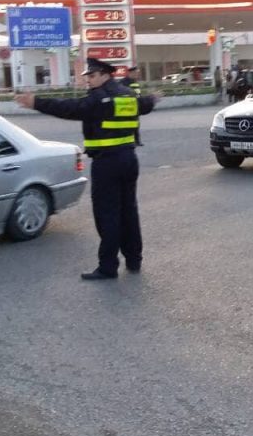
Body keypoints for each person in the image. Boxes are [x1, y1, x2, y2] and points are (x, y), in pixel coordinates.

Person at [15, 59, 160, 280]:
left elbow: (67, 108)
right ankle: (134, 260)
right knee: (129, 212)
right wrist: (153, 98)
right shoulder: (128, 95)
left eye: (91, 76)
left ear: (104, 75)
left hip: (107, 164)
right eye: (87, 77)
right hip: (129, 160)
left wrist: (36, 102)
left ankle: (108, 267)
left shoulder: (98, 99)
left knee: (107, 215)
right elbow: (145, 106)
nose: (88, 80)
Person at [120, 65, 144, 146]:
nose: (137, 75)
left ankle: (137, 141)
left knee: (136, 124)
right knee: (127, 125)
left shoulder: (135, 82)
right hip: (127, 107)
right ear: (131, 73)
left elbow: (138, 94)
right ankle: (129, 141)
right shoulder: (123, 82)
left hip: (135, 106)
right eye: (136, 73)